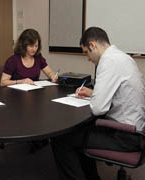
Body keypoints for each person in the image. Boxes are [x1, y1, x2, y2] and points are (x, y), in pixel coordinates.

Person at [51, 27, 145, 180]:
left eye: (86, 52)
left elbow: (98, 109)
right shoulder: (122, 57)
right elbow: (119, 93)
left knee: (61, 139)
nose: (87, 58)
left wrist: (96, 98)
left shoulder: (107, 61)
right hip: (136, 128)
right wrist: (93, 93)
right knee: (81, 132)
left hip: (125, 136)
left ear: (93, 45)